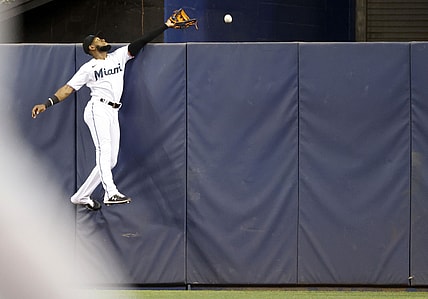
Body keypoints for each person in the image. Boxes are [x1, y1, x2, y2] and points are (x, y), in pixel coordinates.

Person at [31, 18, 175, 211]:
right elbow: (67, 88)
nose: (103, 39)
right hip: (97, 109)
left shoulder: (118, 56)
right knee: (104, 150)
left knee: (111, 160)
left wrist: (166, 26)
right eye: (98, 39)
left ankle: (81, 196)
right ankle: (110, 193)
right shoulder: (88, 68)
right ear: (91, 47)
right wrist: (47, 103)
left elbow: (140, 42)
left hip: (113, 111)